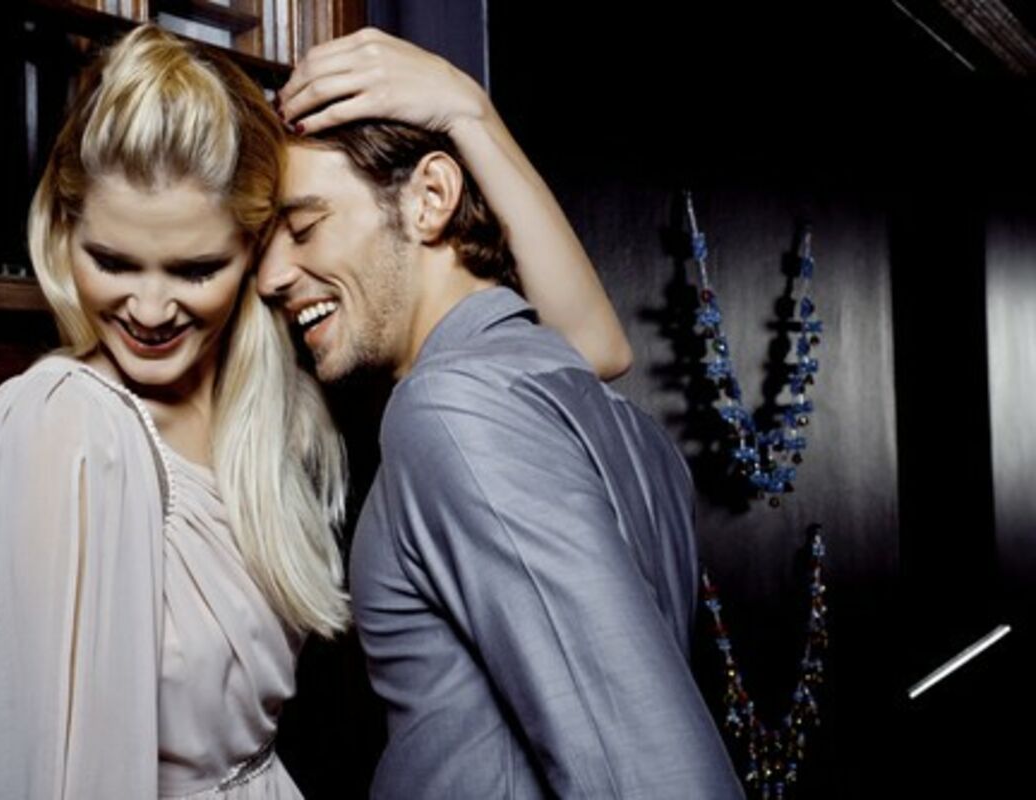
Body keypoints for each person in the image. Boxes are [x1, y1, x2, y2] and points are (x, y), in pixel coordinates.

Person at [0, 24, 631, 800]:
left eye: (196, 269)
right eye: (111, 261)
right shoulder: (63, 424)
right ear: (62, 233)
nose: (148, 309)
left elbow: (589, 348)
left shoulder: (290, 393)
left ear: (253, 251)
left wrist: (467, 110)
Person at [264, 29, 743, 798]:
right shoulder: (582, 400)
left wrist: (466, 110)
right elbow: (598, 344)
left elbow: (652, 774)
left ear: (430, 198)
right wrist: (469, 111)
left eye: (304, 226)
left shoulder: (452, 408)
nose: (272, 274)